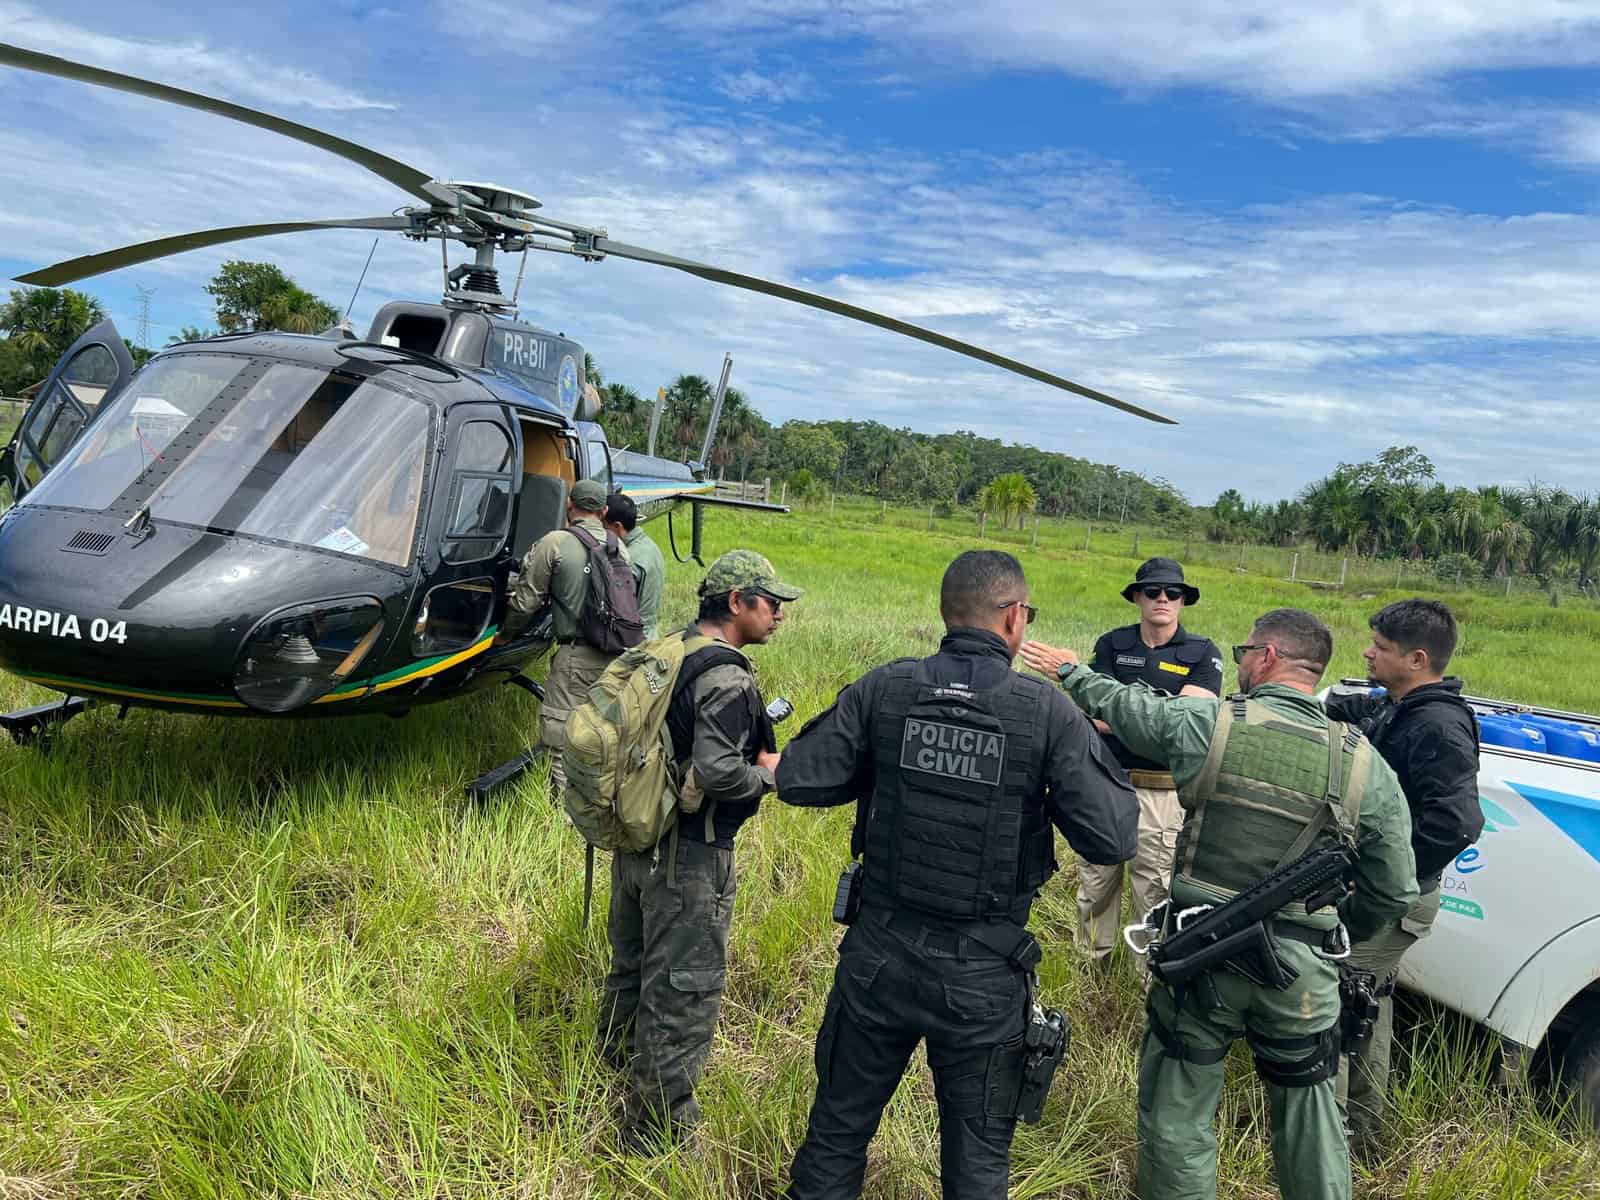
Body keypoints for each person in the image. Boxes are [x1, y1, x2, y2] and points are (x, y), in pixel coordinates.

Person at [778, 549, 1139, 1199]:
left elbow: (801, 778)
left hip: (878, 957)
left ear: (947, 613)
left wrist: (884, 762)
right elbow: (1112, 837)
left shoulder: (886, 688)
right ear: (1015, 617)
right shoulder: (1045, 712)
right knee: (976, 1165)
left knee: (836, 1133)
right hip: (982, 977)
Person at [1021, 609, 1417, 1200]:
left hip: (1200, 959)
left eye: (1244, 653)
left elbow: (1132, 708)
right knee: (1310, 1118)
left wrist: (1072, 672)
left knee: (1177, 1113)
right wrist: (1332, 933)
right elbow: (1395, 889)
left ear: (1268, 657)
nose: (1240, 664)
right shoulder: (1365, 764)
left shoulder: (1212, 723)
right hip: (1301, 977)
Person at [597, 549, 802, 1153]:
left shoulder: (671, 651)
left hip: (638, 840)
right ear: (737, 602)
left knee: (631, 967)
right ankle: (656, 1135)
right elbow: (717, 773)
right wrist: (770, 775)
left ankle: (608, 1073)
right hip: (689, 859)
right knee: (683, 994)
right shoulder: (728, 678)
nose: (779, 615)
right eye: (771, 603)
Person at [1325, 598, 1482, 1158]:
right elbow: (1354, 711)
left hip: (1393, 898)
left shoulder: (1438, 727)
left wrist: (1384, 875)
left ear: (1417, 659)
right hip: (1386, 893)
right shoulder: (1401, 708)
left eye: (1380, 648)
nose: (1367, 653)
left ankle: (1327, 1144)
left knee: (1333, 1003)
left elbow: (1457, 823)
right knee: (1366, 1002)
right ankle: (1364, 1138)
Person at [1079, 557, 1222, 968]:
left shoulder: (1203, 653)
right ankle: (1090, 974)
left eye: (1173, 592)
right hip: (1107, 782)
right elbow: (1093, 711)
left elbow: (1187, 725)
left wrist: (1123, 714)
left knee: (1153, 893)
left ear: (1183, 601)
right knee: (1095, 885)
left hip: (1163, 790)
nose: (1163, 598)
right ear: (1137, 597)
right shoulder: (1112, 645)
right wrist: (1159, 716)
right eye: (1153, 591)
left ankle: (1146, 981)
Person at [504, 478, 632, 801]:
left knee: (561, 739)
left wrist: (503, 636)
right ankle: (600, 802)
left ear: (569, 505)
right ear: (604, 511)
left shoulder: (555, 543)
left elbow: (525, 603)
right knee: (601, 733)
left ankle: (566, 814)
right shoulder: (620, 548)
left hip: (575, 655)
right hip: (617, 655)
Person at [605, 491, 666, 639]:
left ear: (617, 526)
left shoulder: (626, 560)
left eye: (603, 526)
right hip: (650, 634)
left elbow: (618, 608)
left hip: (631, 640)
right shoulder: (650, 546)